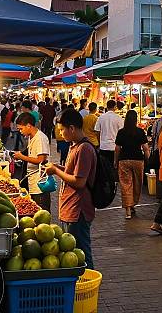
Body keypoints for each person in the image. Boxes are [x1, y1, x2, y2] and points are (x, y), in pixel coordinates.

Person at [45, 108, 96, 269]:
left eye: (62, 130)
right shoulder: (75, 146)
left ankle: (88, 285)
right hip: (70, 208)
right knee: (72, 253)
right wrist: (57, 166)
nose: (60, 134)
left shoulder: (84, 149)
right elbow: (72, 171)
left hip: (78, 209)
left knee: (81, 254)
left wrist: (56, 171)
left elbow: (79, 181)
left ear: (72, 128)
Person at [115, 110, 150, 219]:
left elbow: (117, 149)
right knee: (137, 183)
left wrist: (115, 161)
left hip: (124, 160)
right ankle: (133, 203)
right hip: (138, 160)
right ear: (135, 119)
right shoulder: (140, 132)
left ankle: (128, 210)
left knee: (126, 184)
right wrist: (147, 160)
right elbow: (146, 148)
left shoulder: (121, 132)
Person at [14, 112, 51, 211]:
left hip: (40, 185)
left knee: (42, 212)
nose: (20, 132)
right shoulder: (31, 137)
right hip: (32, 181)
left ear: (29, 126)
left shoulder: (40, 138)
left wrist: (22, 157)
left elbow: (40, 160)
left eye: (21, 129)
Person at [95, 99, 124, 168]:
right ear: (115, 107)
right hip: (115, 147)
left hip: (103, 147)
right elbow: (122, 133)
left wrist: (100, 142)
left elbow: (97, 131)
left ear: (107, 107)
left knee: (104, 169)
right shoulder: (119, 118)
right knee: (114, 168)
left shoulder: (101, 117)